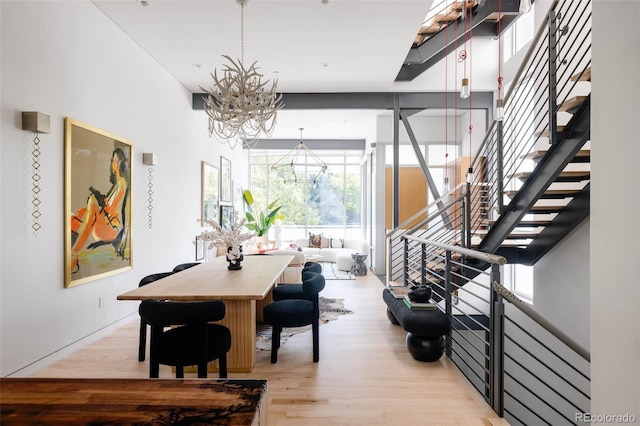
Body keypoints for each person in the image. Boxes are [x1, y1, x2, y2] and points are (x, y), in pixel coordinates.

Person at [70, 147, 129, 273]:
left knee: (92, 203)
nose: (114, 164)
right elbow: (109, 208)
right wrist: (103, 201)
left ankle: (75, 252)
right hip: (107, 223)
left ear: (120, 163)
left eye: (116, 161)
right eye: (112, 161)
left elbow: (113, 212)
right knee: (82, 211)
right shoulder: (116, 185)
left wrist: (103, 203)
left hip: (113, 229)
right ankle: (73, 243)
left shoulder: (122, 184)